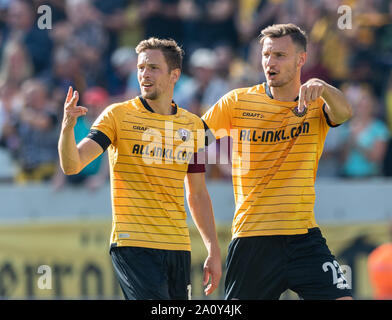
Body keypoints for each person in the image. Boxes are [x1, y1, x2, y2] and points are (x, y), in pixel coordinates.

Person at [58, 38, 221, 300]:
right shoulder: (117, 115)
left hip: (178, 246)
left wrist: (213, 249)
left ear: (174, 75)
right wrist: (67, 128)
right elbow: (72, 164)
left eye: (153, 67)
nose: (145, 73)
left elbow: (198, 193)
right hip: (133, 244)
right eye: (141, 67)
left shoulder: (193, 125)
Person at [202, 23, 353, 300]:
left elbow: (344, 113)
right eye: (266, 55)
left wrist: (325, 88)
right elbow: (193, 140)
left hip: (304, 236)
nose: (270, 62)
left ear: (301, 59)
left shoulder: (318, 103)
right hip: (253, 238)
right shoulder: (236, 102)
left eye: (280, 55)